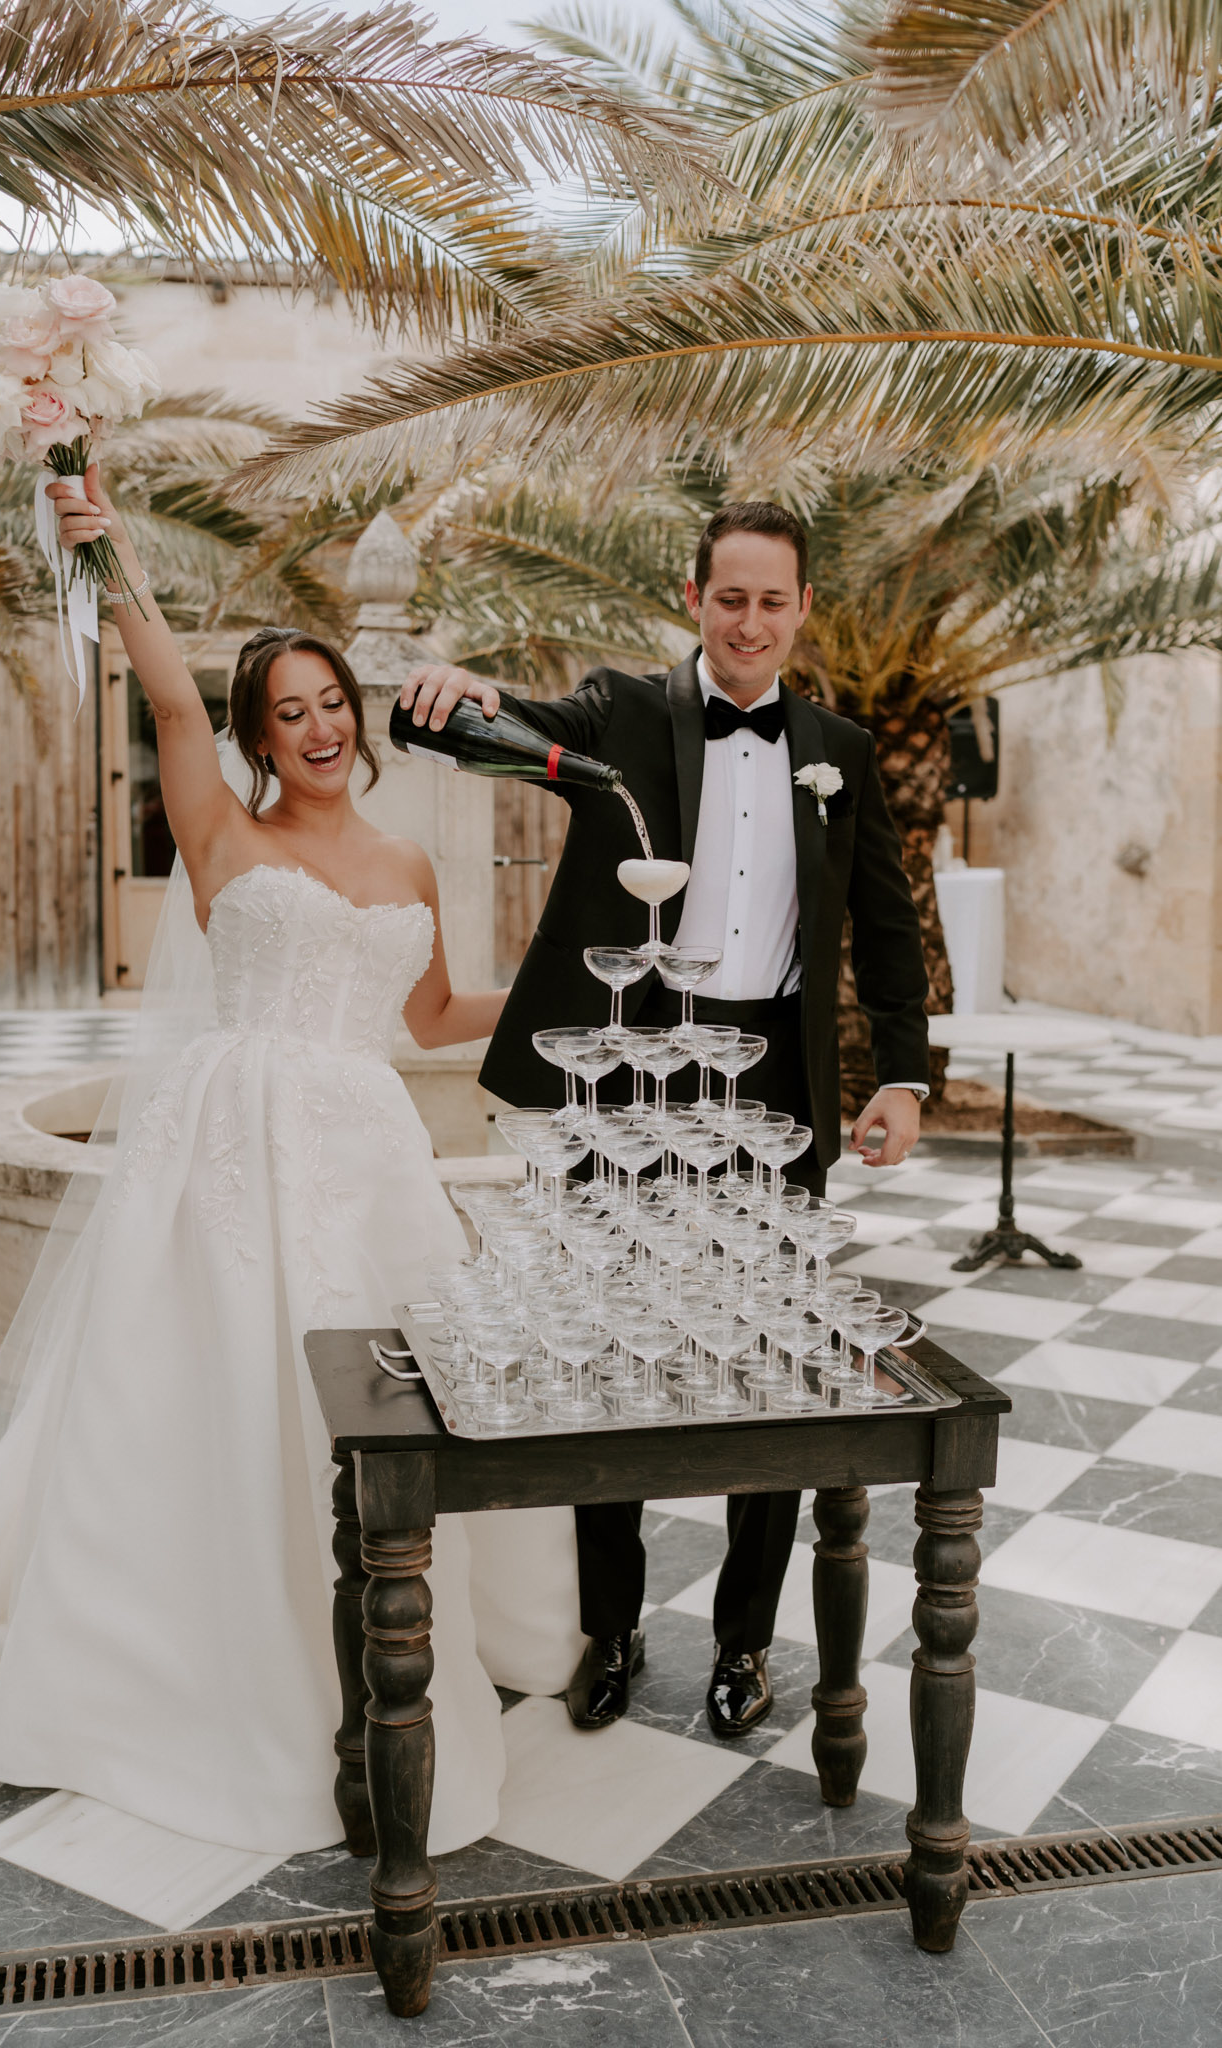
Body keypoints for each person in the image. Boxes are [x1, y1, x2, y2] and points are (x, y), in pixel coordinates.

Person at [0, 466, 581, 1858]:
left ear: (354, 723)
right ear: (256, 735)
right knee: (212, 1387)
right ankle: (195, 1651)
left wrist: (565, 987)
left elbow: (428, 1022)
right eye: (285, 712)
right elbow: (165, 695)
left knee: (372, 1399)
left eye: (328, 706)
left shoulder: (408, 868)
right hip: (227, 1142)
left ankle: (388, 1647)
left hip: (362, 1152)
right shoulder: (222, 830)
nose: (313, 727)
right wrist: (104, 535)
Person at [400, 499, 929, 1742]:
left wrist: (900, 1076)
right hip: (629, 1074)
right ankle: (613, 1623)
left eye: (773, 599)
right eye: (729, 596)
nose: (750, 621)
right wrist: (461, 691)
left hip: (772, 1083)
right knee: (606, 1349)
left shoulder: (840, 748)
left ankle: (746, 1641)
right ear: (693, 598)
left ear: (803, 608)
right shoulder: (625, 711)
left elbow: (891, 931)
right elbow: (508, 731)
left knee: (776, 1366)